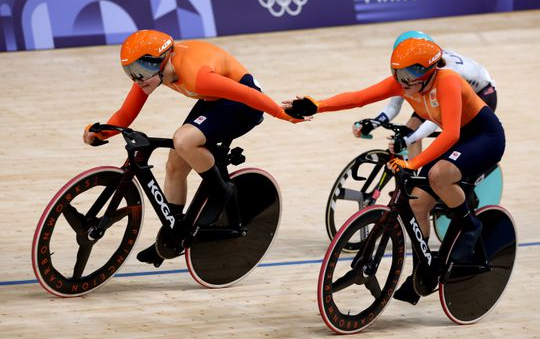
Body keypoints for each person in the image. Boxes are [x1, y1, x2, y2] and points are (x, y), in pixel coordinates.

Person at [285, 36, 505, 305]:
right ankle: (423, 273)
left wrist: (412, 163)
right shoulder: (406, 84)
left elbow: (450, 133)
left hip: (484, 137)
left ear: (428, 70)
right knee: (417, 203)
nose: (402, 79)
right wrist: (317, 105)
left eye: (409, 72)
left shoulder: (447, 81)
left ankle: (470, 226)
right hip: (460, 140)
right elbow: (358, 98)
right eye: (397, 71)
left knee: (438, 175)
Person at [83, 29, 298, 267]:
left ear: (162, 61)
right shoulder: (151, 74)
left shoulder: (197, 75)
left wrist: (282, 114)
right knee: (175, 161)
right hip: (215, 100)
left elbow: (247, 94)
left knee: (183, 140)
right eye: (130, 72)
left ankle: (221, 189)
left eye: (141, 71)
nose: (137, 79)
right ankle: (174, 233)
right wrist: (102, 132)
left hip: (244, 103)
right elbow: (126, 113)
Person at [353, 31, 498, 159]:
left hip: (482, 93)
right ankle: (412, 178)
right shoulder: (416, 69)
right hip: (451, 87)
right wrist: (374, 123)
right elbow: (394, 105)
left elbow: (436, 120)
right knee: (411, 127)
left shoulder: (444, 74)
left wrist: (409, 140)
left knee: (454, 141)